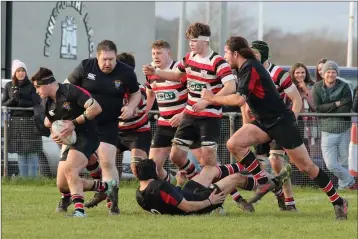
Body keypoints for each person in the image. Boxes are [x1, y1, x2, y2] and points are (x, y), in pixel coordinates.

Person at [201, 36, 348, 220]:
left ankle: (338, 201)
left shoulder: (251, 67)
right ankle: (264, 181)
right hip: (264, 122)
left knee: (307, 167)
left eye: (226, 52)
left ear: (235, 53)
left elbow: (239, 99)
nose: (224, 56)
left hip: (281, 122)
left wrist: (211, 98)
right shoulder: (243, 68)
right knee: (234, 143)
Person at [143, 22, 236, 178]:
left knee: (207, 160)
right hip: (190, 115)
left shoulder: (217, 62)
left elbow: (231, 86)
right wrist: (157, 72)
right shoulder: (189, 57)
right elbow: (176, 75)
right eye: (189, 40)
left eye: (194, 40)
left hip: (209, 116)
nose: (191, 44)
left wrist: (208, 100)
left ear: (205, 40)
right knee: (176, 156)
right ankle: (197, 182)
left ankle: (228, 183)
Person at [65, 40, 141, 215]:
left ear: (116, 57)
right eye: (104, 59)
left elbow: (136, 94)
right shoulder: (85, 66)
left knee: (107, 161)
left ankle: (112, 202)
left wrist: (130, 107)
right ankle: (68, 196)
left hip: (108, 123)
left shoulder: (126, 72)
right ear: (97, 57)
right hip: (83, 123)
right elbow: (66, 88)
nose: (108, 63)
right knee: (64, 176)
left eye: (111, 59)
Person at [31, 67, 117, 217]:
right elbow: (49, 122)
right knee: (63, 185)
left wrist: (73, 123)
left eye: (37, 87)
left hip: (88, 135)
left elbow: (96, 108)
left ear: (46, 84)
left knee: (71, 170)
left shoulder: (71, 91)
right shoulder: (47, 103)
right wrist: (55, 133)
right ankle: (105, 186)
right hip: (72, 140)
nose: (37, 91)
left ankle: (79, 211)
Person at [84, 52, 152, 209]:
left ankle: (155, 196)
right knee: (109, 165)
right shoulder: (110, 86)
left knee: (137, 168)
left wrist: (131, 109)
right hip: (116, 130)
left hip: (137, 132)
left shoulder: (138, 89)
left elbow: (138, 107)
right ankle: (109, 198)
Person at [245, 40, 302, 211]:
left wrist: (292, 120)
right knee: (259, 165)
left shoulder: (277, 72)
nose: (253, 56)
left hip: (279, 122)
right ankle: (278, 192)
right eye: (251, 52)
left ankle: (289, 201)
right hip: (261, 123)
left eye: (256, 53)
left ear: (264, 54)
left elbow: (296, 99)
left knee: (276, 160)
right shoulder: (248, 71)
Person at [135, 158, 291, 215]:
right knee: (236, 178)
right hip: (201, 200)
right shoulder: (159, 185)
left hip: (189, 192)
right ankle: (268, 183)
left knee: (210, 169)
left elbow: (169, 203)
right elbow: (187, 207)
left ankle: (247, 165)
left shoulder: (139, 194)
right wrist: (210, 202)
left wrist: (179, 184)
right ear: (152, 172)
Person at [145, 40, 202, 181]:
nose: (155, 56)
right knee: (153, 167)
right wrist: (144, 113)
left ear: (169, 53)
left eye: (159, 53)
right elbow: (150, 93)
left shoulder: (179, 70)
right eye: (153, 53)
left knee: (205, 161)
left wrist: (182, 114)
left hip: (186, 122)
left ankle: (203, 183)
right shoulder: (151, 71)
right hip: (164, 124)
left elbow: (195, 95)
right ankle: (169, 187)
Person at [312, 61, 355, 190]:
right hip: (327, 130)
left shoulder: (344, 86)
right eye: (328, 72)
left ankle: (344, 186)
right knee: (330, 164)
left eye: (333, 72)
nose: (331, 74)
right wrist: (336, 104)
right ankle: (350, 180)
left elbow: (346, 107)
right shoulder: (317, 88)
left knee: (344, 161)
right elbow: (318, 108)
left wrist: (328, 109)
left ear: (337, 73)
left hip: (344, 128)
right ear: (323, 74)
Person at [2, 59, 42, 178]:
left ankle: (33, 178)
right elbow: (4, 103)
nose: (21, 73)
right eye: (18, 71)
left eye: (23, 70)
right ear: (14, 73)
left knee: (32, 152)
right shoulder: (9, 85)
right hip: (16, 123)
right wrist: (12, 100)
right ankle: (24, 179)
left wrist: (20, 100)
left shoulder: (31, 85)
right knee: (20, 152)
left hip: (30, 122)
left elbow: (36, 101)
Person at [290, 62, 317, 154]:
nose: (300, 75)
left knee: (306, 149)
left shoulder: (312, 86)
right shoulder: (289, 87)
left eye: (302, 72)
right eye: (297, 73)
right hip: (293, 121)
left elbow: (314, 105)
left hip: (308, 123)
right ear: (293, 74)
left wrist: (306, 89)